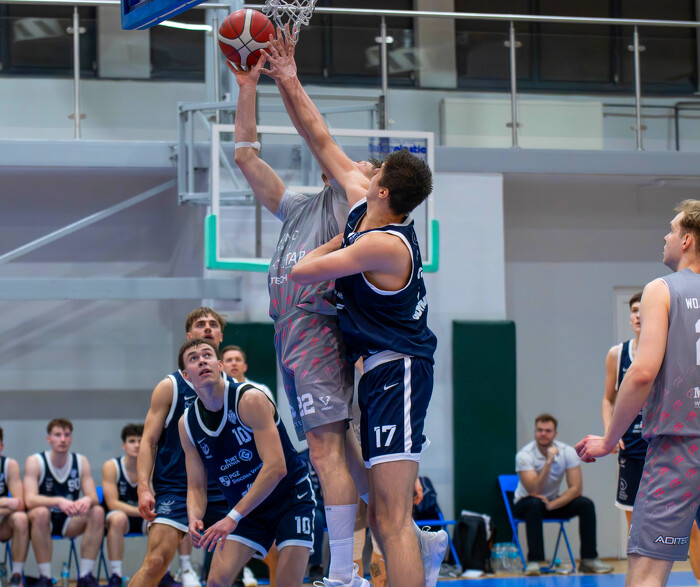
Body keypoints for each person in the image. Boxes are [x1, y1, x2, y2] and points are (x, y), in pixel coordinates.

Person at [266, 31, 441, 585]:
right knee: (382, 505)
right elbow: (317, 135)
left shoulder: (384, 244)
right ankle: (424, 550)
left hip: (401, 370)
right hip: (375, 370)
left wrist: (335, 242)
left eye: (373, 173)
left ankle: (398, 559)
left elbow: (302, 271)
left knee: (391, 518)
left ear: (382, 190)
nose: (362, 171)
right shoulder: (365, 203)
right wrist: (287, 76)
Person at [231, 36, 374, 587]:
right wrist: (247, 86)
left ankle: (342, 572)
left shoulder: (352, 201)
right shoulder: (298, 206)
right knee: (342, 452)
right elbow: (246, 157)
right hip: (289, 335)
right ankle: (404, 535)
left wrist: (289, 78)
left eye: (363, 166)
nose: (354, 165)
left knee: (323, 450)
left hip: (317, 330)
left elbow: (319, 137)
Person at [577, 199, 700, 587]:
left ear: (687, 240)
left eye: (672, 229)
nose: (665, 236)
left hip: (680, 447)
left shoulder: (662, 289)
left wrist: (608, 439)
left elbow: (643, 372)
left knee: (647, 572)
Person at [176, 338, 314, 587]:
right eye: (193, 359)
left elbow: (276, 468)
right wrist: (194, 517)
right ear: (186, 375)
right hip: (248, 510)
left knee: (286, 583)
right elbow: (196, 485)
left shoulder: (250, 399)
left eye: (207, 355)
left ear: (220, 365)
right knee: (216, 582)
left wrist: (232, 517)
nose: (202, 361)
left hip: (290, 499)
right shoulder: (187, 424)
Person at [129, 308, 230, 587]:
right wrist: (143, 488)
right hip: (176, 487)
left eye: (213, 325)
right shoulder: (170, 386)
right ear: (189, 336)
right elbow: (148, 441)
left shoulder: (235, 388)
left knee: (272, 551)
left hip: (223, 488)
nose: (207, 328)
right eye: (200, 324)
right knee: (156, 563)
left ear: (221, 336)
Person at [514, 414, 612, 576]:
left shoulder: (567, 451)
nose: (543, 434)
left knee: (585, 504)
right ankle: (535, 562)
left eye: (548, 430)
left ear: (555, 433)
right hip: (525, 504)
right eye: (539, 430)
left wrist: (552, 505)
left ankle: (589, 560)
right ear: (535, 431)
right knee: (534, 504)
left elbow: (576, 489)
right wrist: (548, 462)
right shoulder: (524, 455)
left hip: (550, 503)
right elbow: (534, 491)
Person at [24, 419, 105, 587]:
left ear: (71, 438)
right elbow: (29, 500)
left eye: (66, 435)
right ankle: (45, 578)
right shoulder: (36, 461)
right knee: (41, 513)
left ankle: (85, 576)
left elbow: (93, 496)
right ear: (48, 438)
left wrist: (87, 499)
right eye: (57, 435)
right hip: (43, 521)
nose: (62, 439)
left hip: (70, 520)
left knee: (97, 511)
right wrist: (59, 501)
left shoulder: (80, 461)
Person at [220, 345, 275, 587]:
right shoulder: (215, 396)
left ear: (244, 366)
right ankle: (240, 574)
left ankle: (252, 570)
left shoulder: (259, 391)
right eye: (228, 360)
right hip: (228, 470)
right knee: (231, 527)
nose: (233, 363)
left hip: (259, 466)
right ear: (221, 366)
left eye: (237, 359)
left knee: (266, 533)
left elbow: (272, 428)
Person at [602, 291, 645, 532]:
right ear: (629, 317)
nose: (638, 315)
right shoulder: (617, 354)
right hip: (632, 446)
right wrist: (611, 433)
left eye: (643, 310)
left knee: (686, 525)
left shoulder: (668, 351)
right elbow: (608, 400)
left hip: (663, 445)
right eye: (634, 310)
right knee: (634, 524)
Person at [102, 424, 148, 587]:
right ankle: (116, 575)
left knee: (164, 520)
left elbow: (157, 498)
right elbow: (112, 503)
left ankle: (163, 574)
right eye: (132, 441)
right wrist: (140, 511)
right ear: (124, 445)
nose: (137, 445)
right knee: (117, 518)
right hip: (124, 516)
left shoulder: (153, 465)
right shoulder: (111, 466)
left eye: (140, 441)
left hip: (145, 517)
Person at [0, 426, 29, 587]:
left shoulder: (8, 465)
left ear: (1, 447)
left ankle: (16, 576)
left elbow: (19, 504)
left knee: (21, 518)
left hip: (2, 524)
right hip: (3, 510)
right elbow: (11, 503)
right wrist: (5, 502)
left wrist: (8, 505)